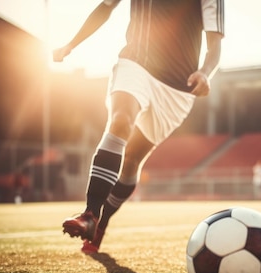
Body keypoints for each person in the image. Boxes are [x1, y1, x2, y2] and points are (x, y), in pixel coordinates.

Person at [57, 0, 224, 254]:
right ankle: (90, 214)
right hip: (136, 64)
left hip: (177, 89)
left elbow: (215, 43)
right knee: (121, 120)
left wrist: (205, 72)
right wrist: (71, 44)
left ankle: (102, 223)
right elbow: (106, 6)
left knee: (133, 159)